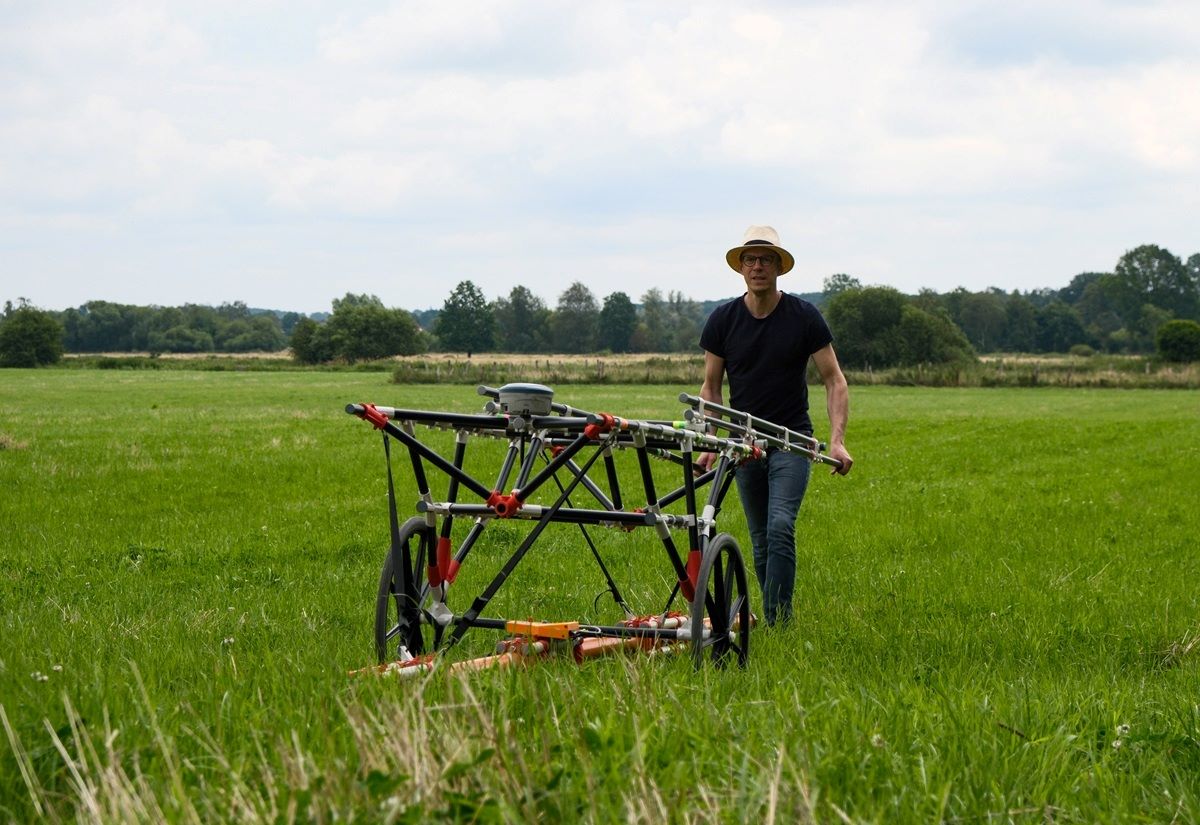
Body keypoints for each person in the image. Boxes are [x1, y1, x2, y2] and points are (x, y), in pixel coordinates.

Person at [696, 225, 853, 626]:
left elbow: (834, 379)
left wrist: (836, 442)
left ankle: (779, 621)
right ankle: (774, 623)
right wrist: (709, 441)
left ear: (779, 267)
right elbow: (711, 388)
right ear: (741, 268)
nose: (758, 266)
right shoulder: (723, 320)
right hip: (745, 444)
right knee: (762, 540)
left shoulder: (803, 317)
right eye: (751, 259)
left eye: (766, 259)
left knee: (781, 526)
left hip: (793, 441)